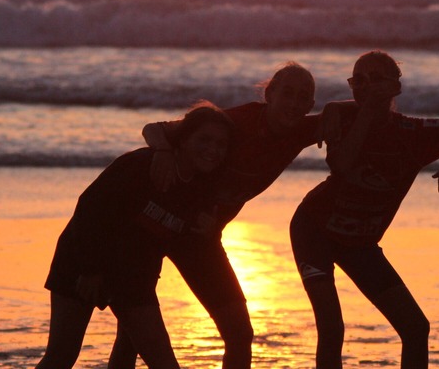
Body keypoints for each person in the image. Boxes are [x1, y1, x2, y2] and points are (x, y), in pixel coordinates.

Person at [289, 50, 439, 369]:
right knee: (332, 328)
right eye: (358, 80)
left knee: (416, 328)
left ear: (396, 87)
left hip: (359, 243)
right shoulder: (342, 120)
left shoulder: (414, 133)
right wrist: (357, 110)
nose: (365, 86)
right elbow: (342, 165)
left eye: (375, 79)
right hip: (313, 229)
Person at [109, 62, 320, 369]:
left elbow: (354, 111)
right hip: (155, 224)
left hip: (200, 238)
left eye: (303, 97)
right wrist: (164, 153)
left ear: (310, 106)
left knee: (239, 332)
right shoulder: (236, 121)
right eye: (287, 93)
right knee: (131, 336)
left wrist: (346, 111)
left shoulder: (301, 130)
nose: (294, 103)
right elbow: (154, 129)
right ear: (269, 94)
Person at [37, 102, 235, 369]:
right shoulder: (142, 165)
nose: (213, 149)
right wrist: (91, 270)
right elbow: (90, 211)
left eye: (221, 144)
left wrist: (211, 228)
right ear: (184, 139)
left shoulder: (203, 191)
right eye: (204, 139)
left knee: (165, 364)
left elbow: (178, 245)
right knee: (61, 356)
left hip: (132, 280)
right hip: (82, 265)